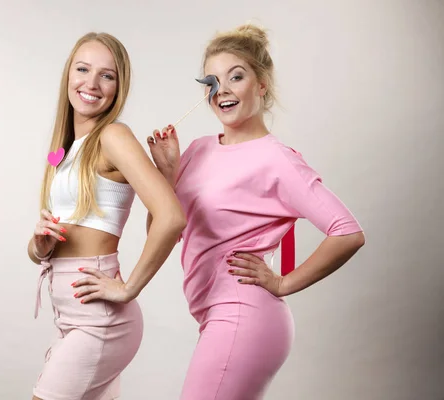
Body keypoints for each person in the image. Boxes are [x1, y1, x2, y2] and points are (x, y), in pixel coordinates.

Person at [147, 23, 366, 400]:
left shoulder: (276, 160)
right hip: (213, 314)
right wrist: (167, 175)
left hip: (243, 313)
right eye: (212, 82)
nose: (223, 91)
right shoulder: (198, 149)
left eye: (236, 76)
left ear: (261, 84)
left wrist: (283, 283)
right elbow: (163, 234)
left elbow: (347, 231)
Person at [27, 32, 185, 400]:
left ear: (119, 86)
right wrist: (40, 245)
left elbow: (170, 219)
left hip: (99, 320)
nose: (92, 83)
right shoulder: (63, 150)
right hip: (67, 317)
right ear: (69, 74)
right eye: (83, 69)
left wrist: (129, 287)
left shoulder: (112, 136)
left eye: (107, 75)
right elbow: (43, 251)